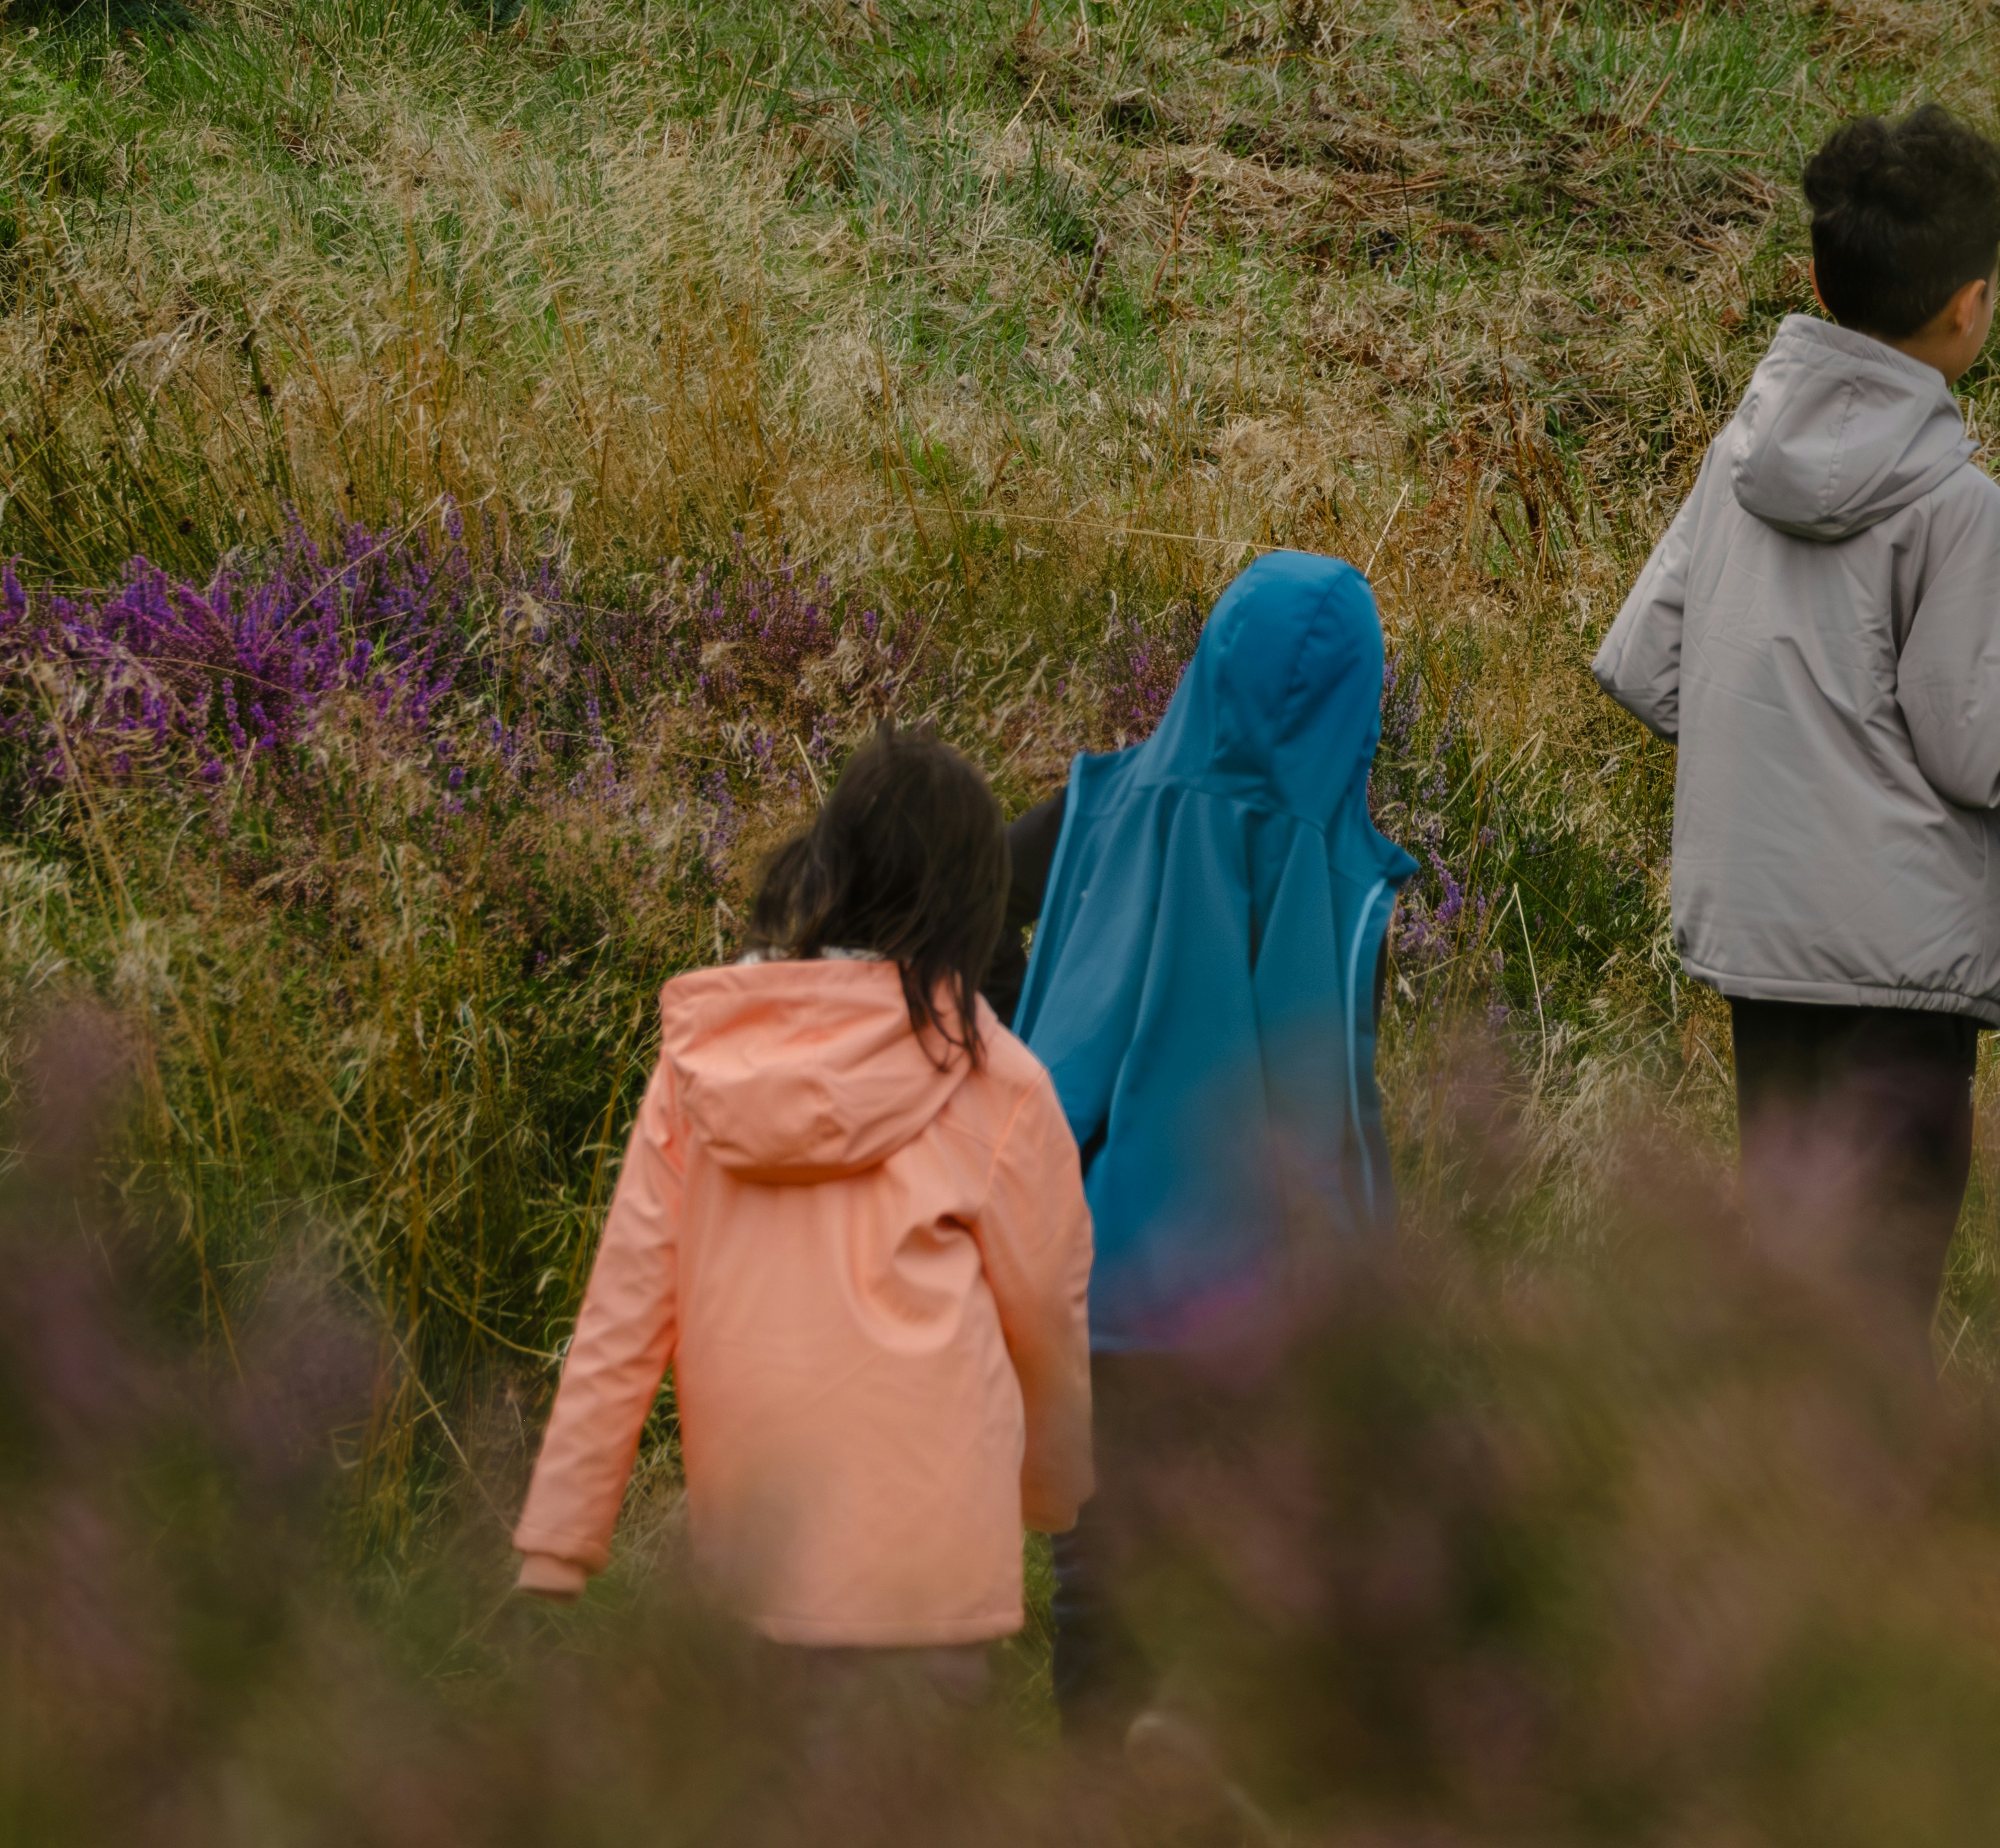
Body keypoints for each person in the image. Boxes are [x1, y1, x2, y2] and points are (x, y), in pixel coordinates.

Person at [1592, 104, 2000, 1345]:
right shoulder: (1963, 513)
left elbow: (1651, 664)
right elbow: (1984, 749)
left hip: (1763, 950)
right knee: (1881, 1301)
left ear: (1818, 278)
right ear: (1972, 305)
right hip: (1903, 976)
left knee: (1790, 1279)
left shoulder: (1739, 462)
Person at [513, 726, 1094, 1707]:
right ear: (971, 898)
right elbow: (1048, 1312)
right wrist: (1052, 1492)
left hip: (755, 1550)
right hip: (932, 1560)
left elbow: (624, 1310)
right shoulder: (1002, 1081)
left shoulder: (708, 1061)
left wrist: (565, 1536)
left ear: (828, 859)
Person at [1005, 550, 1414, 1758]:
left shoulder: (1091, 812)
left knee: (1098, 1586)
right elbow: (1345, 1101)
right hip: (1262, 1305)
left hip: (1085, 1285)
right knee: (1263, 1582)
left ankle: (1099, 1797)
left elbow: (954, 913)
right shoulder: (1346, 883)